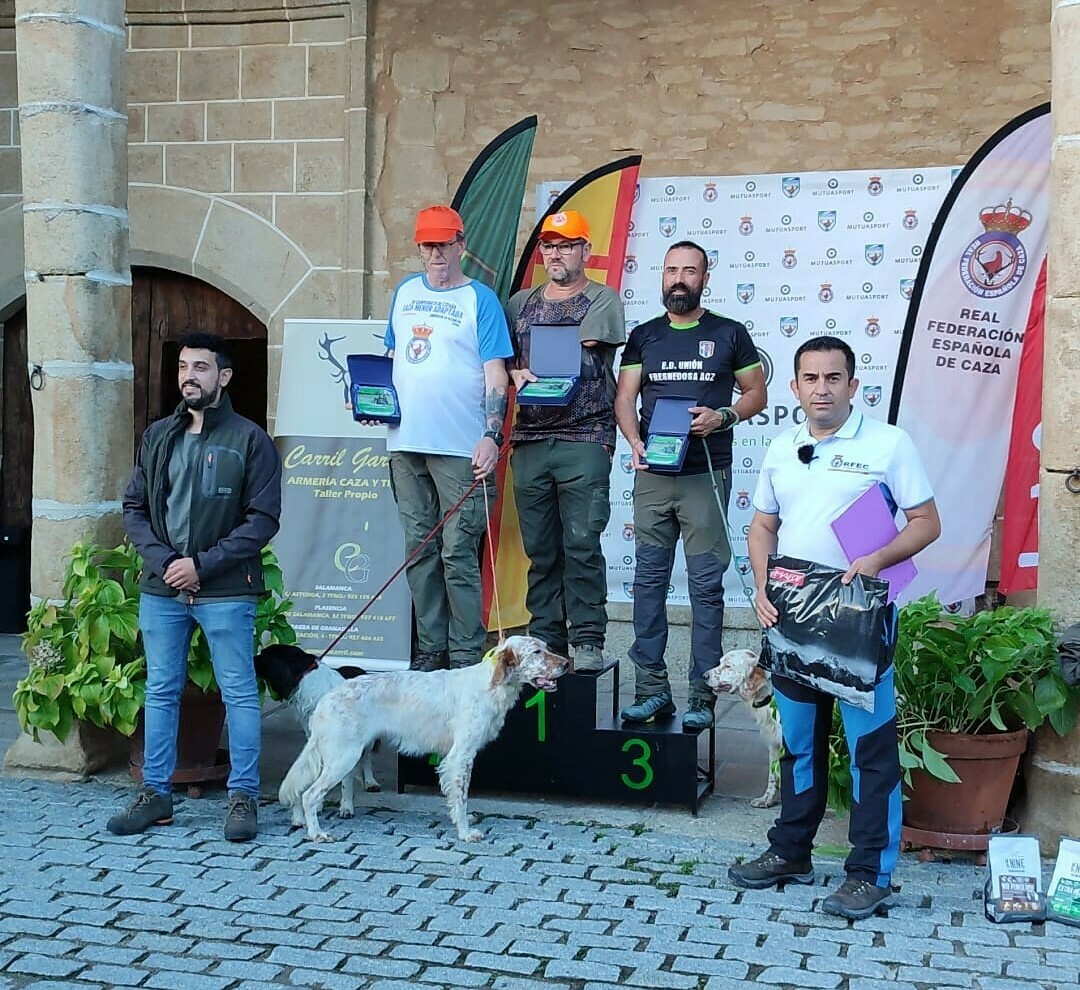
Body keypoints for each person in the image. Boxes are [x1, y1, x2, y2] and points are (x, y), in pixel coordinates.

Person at [729, 335, 941, 920]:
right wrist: (763, 584)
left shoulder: (889, 444)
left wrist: (877, 560)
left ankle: (870, 873)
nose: (821, 389)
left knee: (871, 751)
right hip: (792, 617)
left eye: (833, 378)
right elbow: (762, 526)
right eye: (811, 379)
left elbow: (926, 522)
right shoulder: (782, 447)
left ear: (853, 385)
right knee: (799, 746)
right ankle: (790, 852)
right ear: (794, 387)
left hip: (858, 620)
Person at [110, 332, 282, 842]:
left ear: (223, 376)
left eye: (201, 367)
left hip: (226, 588)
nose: (189, 376)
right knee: (161, 690)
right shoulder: (158, 435)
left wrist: (201, 566)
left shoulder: (250, 440)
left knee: (238, 692)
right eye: (184, 366)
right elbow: (134, 507)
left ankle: (243, 797)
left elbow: (262, 519)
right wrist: (167, 563)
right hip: (163, 587)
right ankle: (155, 795)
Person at [614, 240, 767, 730]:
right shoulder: (644, 336)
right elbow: (625, 398)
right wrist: (634, 442)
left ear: (704, 278)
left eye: (689, 271)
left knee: (705, 588)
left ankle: (703, 693)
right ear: (661, 276)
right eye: (671, 270)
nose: (679, 279)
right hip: (654, 476)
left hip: (706, 474)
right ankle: (651, 690)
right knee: (648, 583)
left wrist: (723, 416)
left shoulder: (729, 333)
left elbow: (756, 393)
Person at [384, 205, 513, 671]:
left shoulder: (481, 299)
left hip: (461, 447)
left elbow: (496, 374)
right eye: (428, 245)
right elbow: (393, 360)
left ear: (462, 245)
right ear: (419, 248)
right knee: (419, 551)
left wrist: (491, 435)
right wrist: (373, 404)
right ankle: (430, 651)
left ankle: (464, 657)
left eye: (444, 243)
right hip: (405, 443)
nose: (436, 253)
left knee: (458, 553)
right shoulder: (404, 292)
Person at [506, 210, 626, 670]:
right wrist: (512, 370)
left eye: (567, 245)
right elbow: (502, 358)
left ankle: (589, 639)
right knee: (540, 549)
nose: (556, 254)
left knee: (581, 543)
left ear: (585, 251)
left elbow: (576, 347)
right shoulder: (519, 304)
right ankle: (546, 639)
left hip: (584, 435)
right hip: (530, 438)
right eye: (549, 246)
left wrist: (525, 361)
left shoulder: (602, 299)